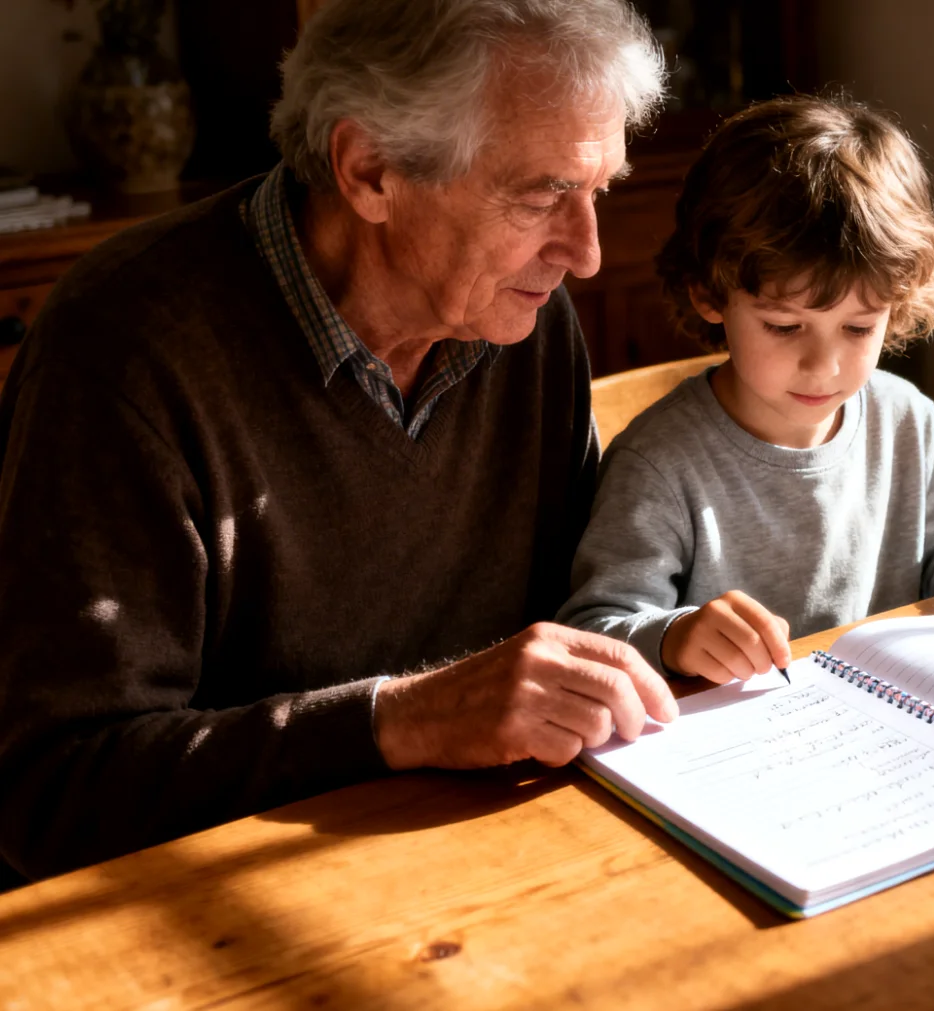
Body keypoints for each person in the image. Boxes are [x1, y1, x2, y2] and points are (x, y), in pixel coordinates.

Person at [0, 0, 681, 883]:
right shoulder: (124, 351)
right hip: (215, 910)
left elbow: (566, 630)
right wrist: (398, 719)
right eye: (542, 193)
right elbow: (49, 792)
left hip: (486, 868)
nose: (585, 253)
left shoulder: (523, 320)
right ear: (369, 171)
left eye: (599, 191)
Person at [557, 95, 934, 685]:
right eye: (784, 326)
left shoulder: (907, 420)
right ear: (709, 294)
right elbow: (594, 630)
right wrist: (674, 638)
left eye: (859, 328)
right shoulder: (658, 465)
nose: (824, 366)